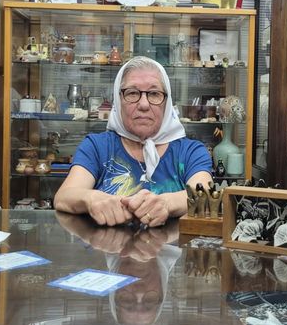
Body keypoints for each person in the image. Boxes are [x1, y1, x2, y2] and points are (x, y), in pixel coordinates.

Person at [54, 56, 212, 227]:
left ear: (167, 103)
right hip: (108, 250)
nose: (144, 104)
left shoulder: (190, 152)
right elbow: (64, 197)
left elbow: (205, 195)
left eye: (154, 94)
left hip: (173, 251)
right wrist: (92, 198)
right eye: (132, 93)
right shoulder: (97, 147)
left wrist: (167, 204)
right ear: (118, 100)